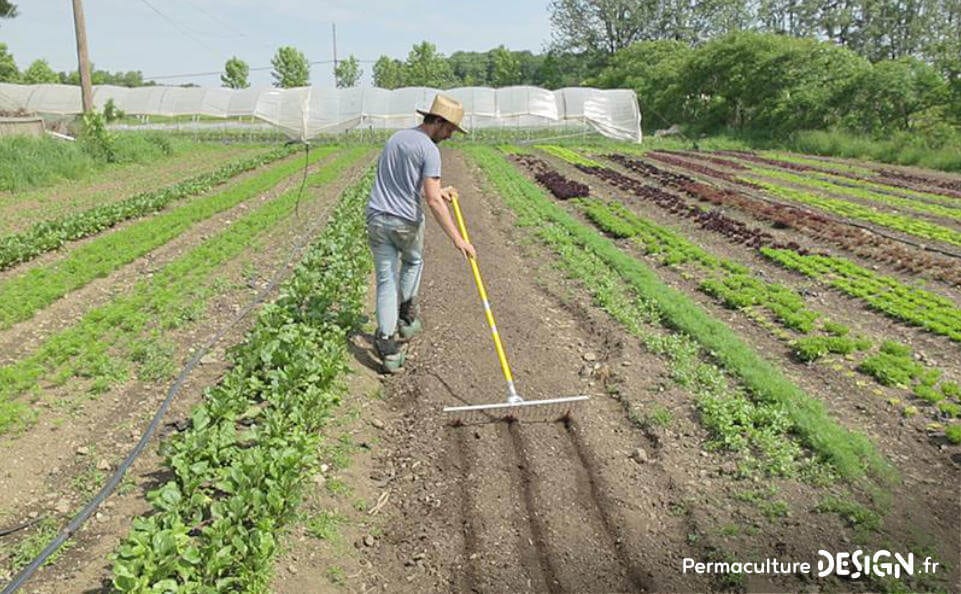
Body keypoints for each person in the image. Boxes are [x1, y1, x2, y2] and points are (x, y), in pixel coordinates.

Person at [366, 93, 476, 373]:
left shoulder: (396, 139)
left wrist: (441, 189)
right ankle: (405, 314)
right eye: (449, 129)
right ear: (437, 121)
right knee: (413, 261)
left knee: (385, 280)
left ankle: (388, 346)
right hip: (405, 222)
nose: (450, 135)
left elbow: (405, 183)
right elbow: (432, 201)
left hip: (377, 218)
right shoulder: (429, 150)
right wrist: (457, 238)